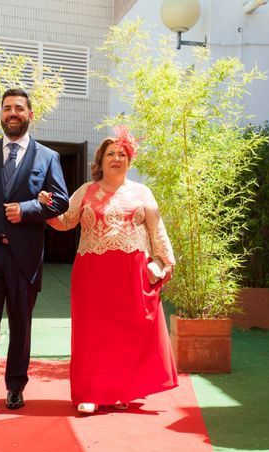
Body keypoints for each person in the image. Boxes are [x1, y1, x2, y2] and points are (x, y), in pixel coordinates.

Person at [38, 126, 178, 413]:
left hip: (133, 272)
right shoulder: (86, 191)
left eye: (122, 153)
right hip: (93, 272)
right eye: (110, 154)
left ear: (129, 160)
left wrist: (162, 262)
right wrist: (46, 207)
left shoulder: (142, 192)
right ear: (99, 161)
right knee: (93, 333)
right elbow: (66, 221)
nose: (117, 158)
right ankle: (90, 392)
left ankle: (124, 390)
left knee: (128, 334)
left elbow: (157, 231)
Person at [0, 88, 70, 413]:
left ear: (30, 114)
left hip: (25, 258)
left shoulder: (47, 157)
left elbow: (61, 201)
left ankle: (16, 386)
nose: (12, 113)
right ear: (1, 114)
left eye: (19, 108)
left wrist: (29, 209)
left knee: (21, 325)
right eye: (7, 108)